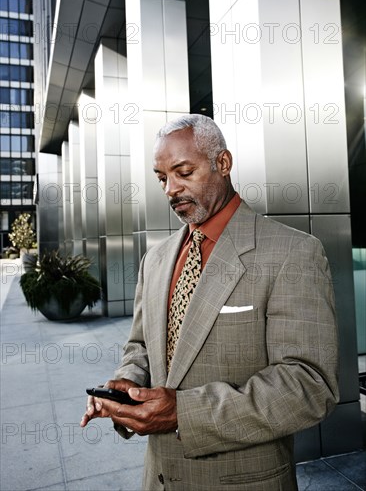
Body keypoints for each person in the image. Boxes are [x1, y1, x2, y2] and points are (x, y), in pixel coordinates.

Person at [81, 114, 339, 490]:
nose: (170, 189)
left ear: (223, 163)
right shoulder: (155, 259)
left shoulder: (293, 252)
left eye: (183, 172)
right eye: (161, 178)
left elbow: (310, 384)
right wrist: (128, 384)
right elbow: (140, 346)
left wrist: (184, 412)